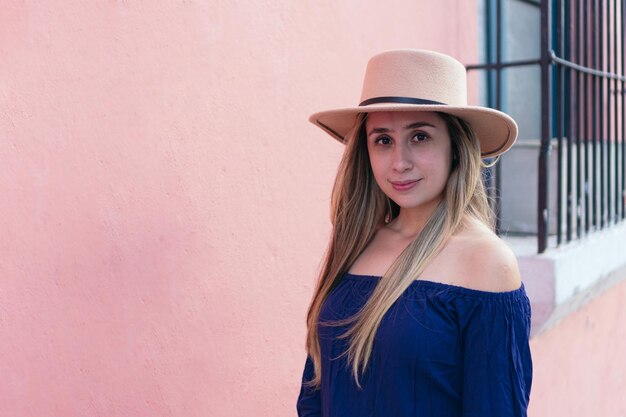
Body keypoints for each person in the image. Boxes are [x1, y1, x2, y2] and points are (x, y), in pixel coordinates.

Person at [296, 49, 533, 416]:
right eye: (383, 140)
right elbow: (316, 391)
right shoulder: (358, 242)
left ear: (456, 147)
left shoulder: (486, 262)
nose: (400, 162)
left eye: (419, 136)